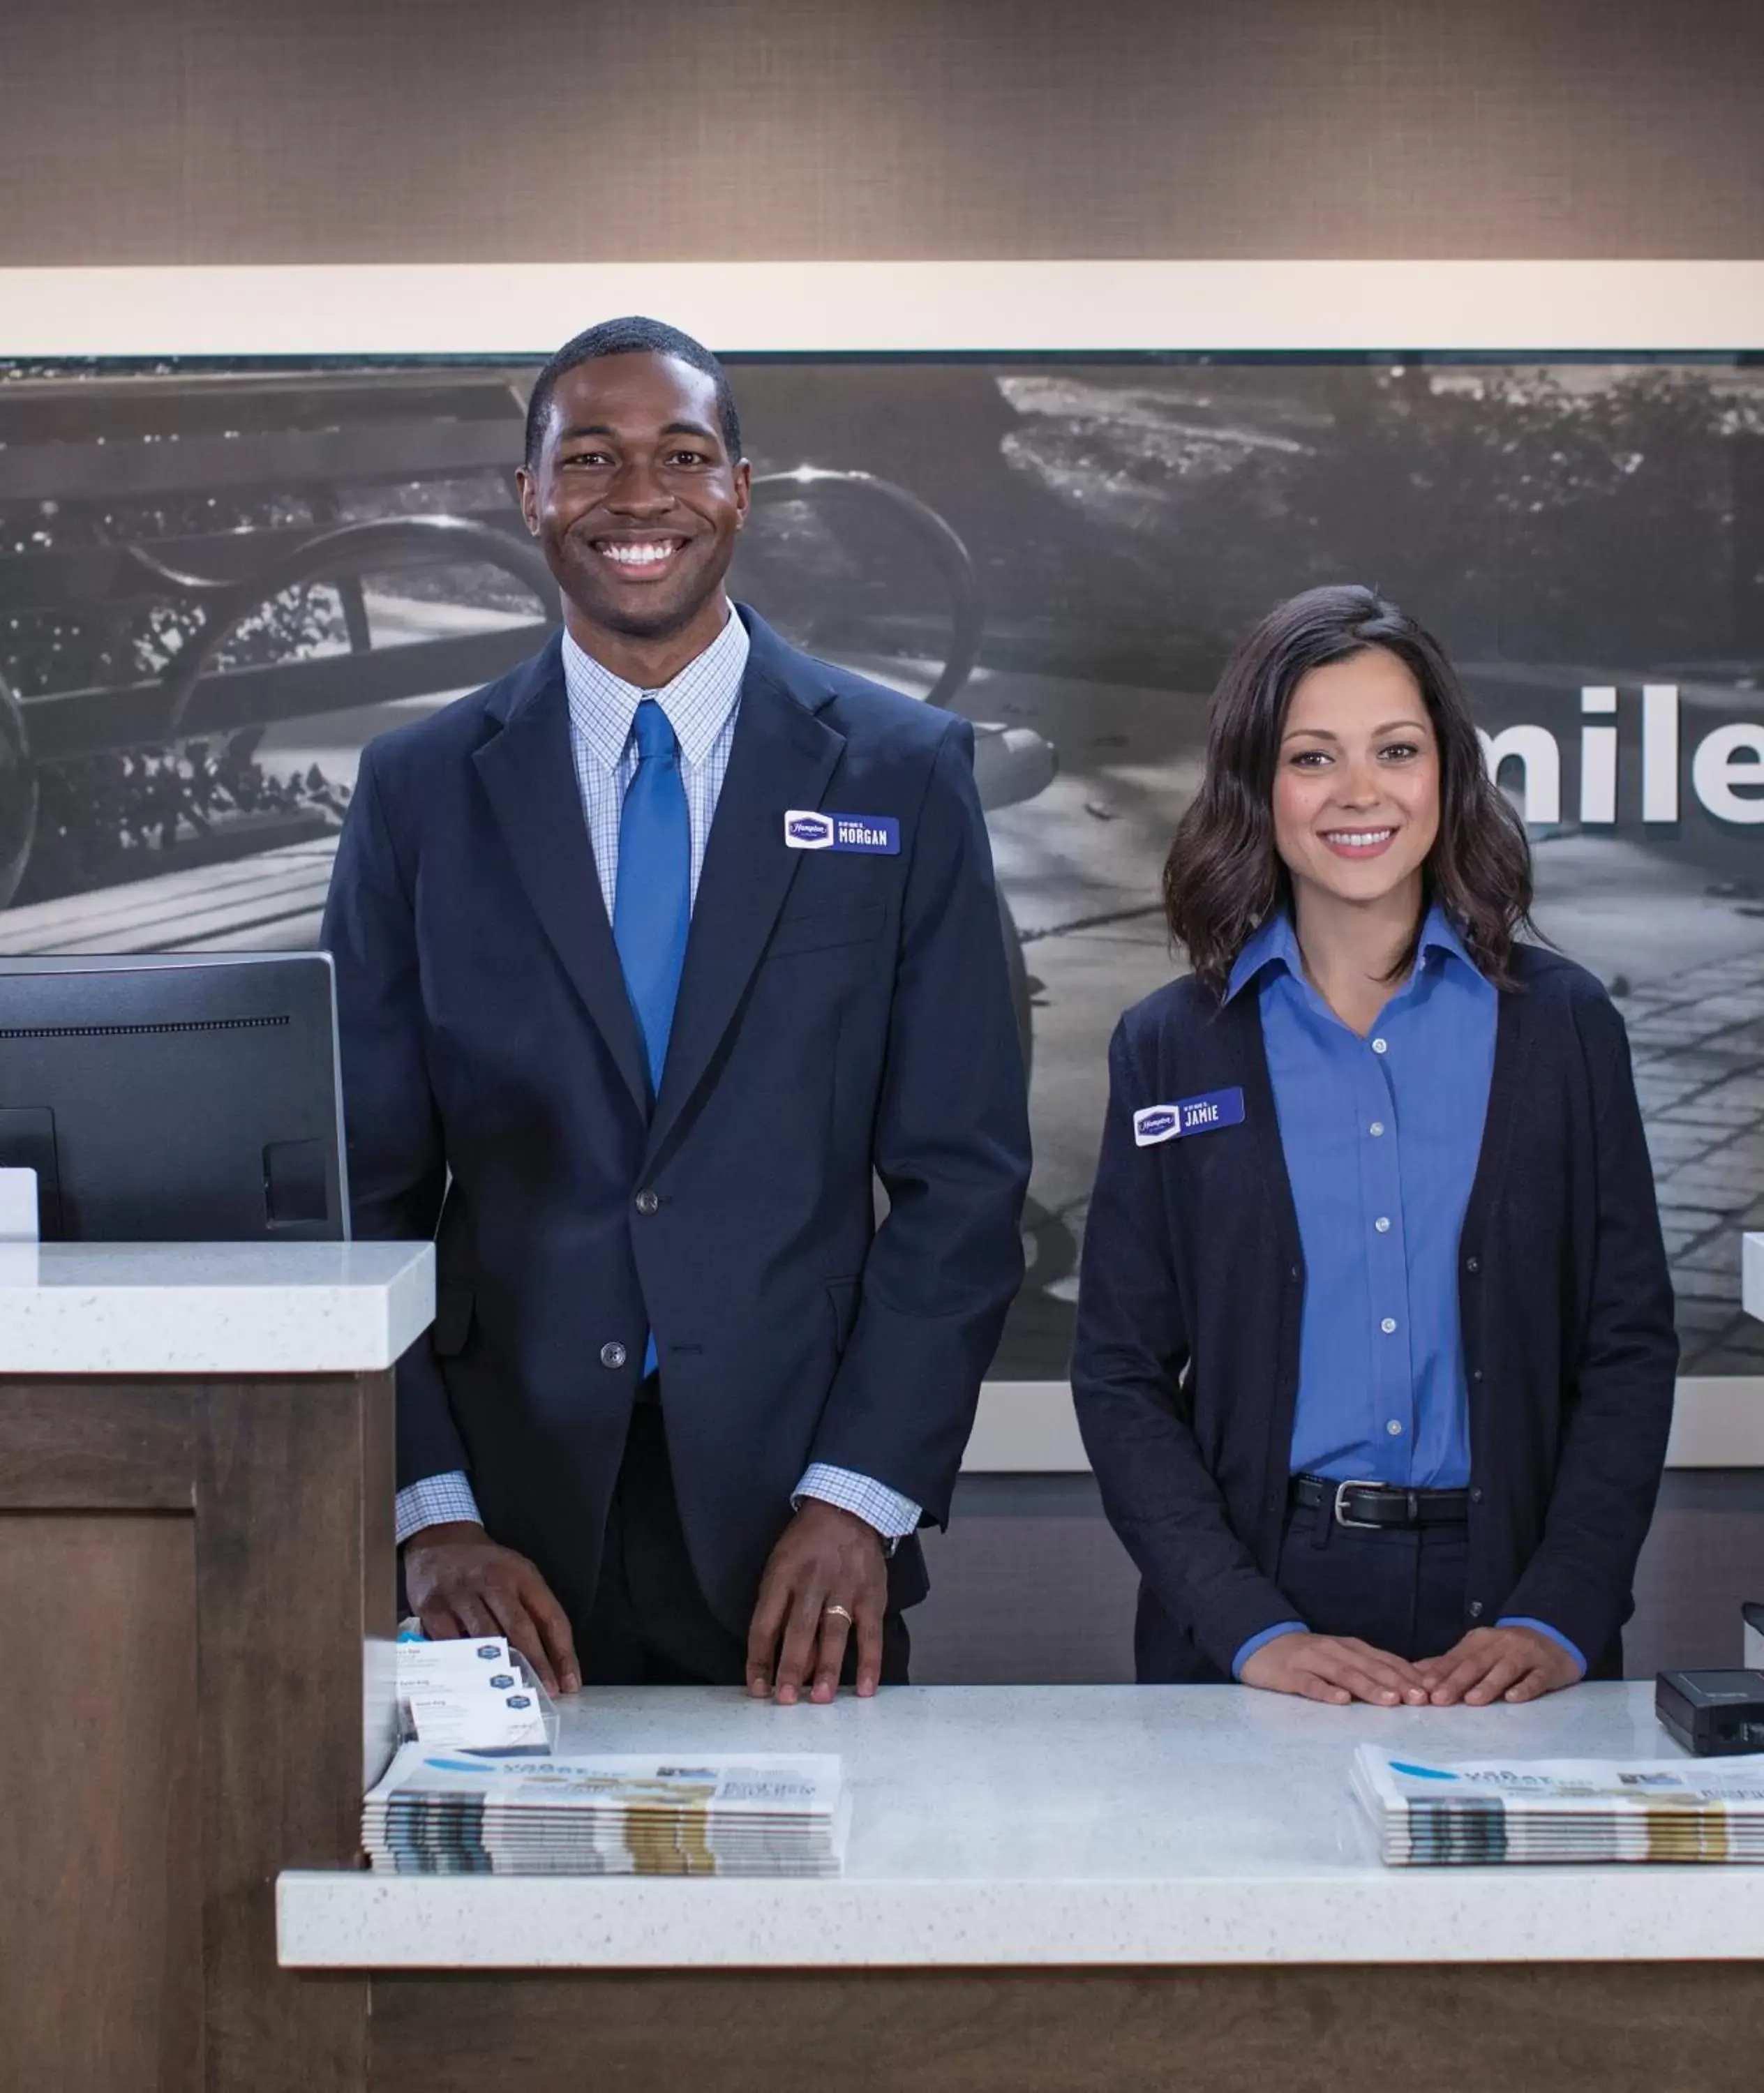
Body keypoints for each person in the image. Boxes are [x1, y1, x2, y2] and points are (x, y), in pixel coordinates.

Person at [322, 317, 1029, 1702]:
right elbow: (359, 1195)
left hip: (800, 1537)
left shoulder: (903, 772)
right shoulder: (418, 793)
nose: (636, 497)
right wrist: (430, 1511)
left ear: (741, 490)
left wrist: (857, 1500)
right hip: (499, 1548)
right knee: (487, 1919)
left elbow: (963, 1180)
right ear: (527, 495)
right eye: (588, 458)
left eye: (681, 457)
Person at [1071, 583, 1676, 1705]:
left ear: (1447, 771)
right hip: (1259, 1609)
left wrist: (1567, 1609)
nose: (1360, 794)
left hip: (1511, 1617)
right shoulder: (1170, 1048)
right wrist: (1250, 1630)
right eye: (1313, 758)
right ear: (1258, 782)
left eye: (1396, 750)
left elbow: (1627, 1348)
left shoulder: (1563, 1027)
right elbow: (1119, 1377)